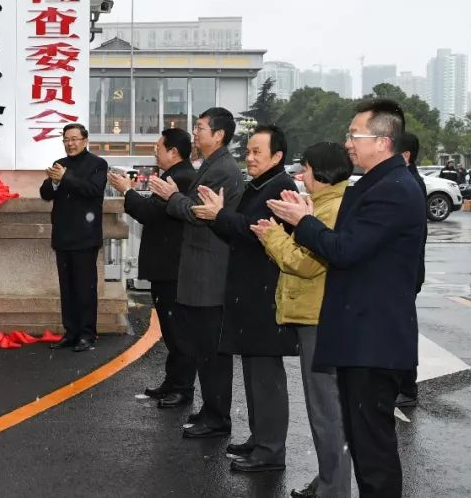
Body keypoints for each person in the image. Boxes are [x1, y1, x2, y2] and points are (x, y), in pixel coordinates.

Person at [269, 99, 424, 498]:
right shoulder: (378, 184)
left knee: (373, 452)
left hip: (374, 339)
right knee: (365, 441)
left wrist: (301, 222)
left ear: (383, 141)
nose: (348, 143)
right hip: (365, 335)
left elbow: (343, 250)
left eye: (354, 135)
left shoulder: (391, 190)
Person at [192, 125, 298, 474]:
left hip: (264, 297)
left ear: (277, 157)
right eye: (248, 151)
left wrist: (220, 215)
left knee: (266, 377)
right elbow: (239, 230)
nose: (249, 158)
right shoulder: (261, 185)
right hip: (250, 294)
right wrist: (219, 216)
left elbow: (252, 233)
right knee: (254, 375)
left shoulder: (280, 187)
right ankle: (260, 438)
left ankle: (270, 450)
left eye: (257, 152)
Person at [252, 142, 353, 498]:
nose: (300, 175)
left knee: (326, 410)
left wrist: (274, 236)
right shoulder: (326, 204)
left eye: (306, 169)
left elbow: (307, 263)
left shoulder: (332, 208)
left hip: (319, 316)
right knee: (326, 408)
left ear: (323, 173)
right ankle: (328, 481)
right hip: (317, 313)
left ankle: (333, 489)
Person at [149, 107, 243, 440]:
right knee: (204, 348)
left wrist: (171, 196)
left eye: (201, 128)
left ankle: (217, 417)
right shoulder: (212, 166)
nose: (197, 133)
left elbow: (197, 213)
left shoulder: (222, 170)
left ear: (218, 135)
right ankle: (211, 410)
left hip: (209, 272)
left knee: (212, 351)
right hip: (201, 269)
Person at [108, 128, 197, 408]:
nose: (155, 151)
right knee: (172, 330)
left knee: (178, 331)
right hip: (168, 265)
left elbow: (149, 214)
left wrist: (127, 191)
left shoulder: (180, 178)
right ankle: (173, 383)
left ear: (174, 151)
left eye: (159, 146)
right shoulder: (177, 175)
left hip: (172, 266)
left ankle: (182, 388)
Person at [40, 123, 108, 352]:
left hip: (85, 238)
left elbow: (93, 190)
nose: (70, 143)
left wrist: (66, 177)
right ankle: (71, 333)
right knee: (67, 288)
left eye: (74, 139)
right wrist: (55, 181)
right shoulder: (60, 165)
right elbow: (45, 193)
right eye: (66, 139)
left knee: (85, 289)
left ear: (85, 140)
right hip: (62, 235)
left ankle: (87, 334)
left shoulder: (98, 164)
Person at [396, 131, 427, 409]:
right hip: (407, 272)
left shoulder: (410, 185)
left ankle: (407, 387)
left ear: (405, 156)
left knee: (401, 330)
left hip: (406, 272)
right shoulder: (407, 181)